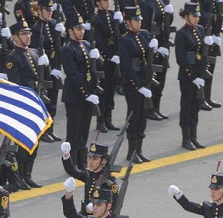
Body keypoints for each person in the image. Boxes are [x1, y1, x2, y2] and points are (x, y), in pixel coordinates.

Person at [5, 19, 48, 188]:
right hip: (24, 104)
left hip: (37, 101)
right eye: (23, 34)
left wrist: (47, 65)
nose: (28, 36)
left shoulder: (35, 52)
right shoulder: (12, 57)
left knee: (35, 141)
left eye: (29, 33)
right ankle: (20, 176)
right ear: (15, 37)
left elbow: (44, 77)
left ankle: (28, 174)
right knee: (23, 142)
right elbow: (16, 84)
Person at [60, 12, 99, 170]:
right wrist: (87, 94)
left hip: (87, 95)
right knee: (73, 132)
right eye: (77, 29)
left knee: (84, 129)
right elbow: (73, 75)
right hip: (76, 96)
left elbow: (92, 70)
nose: (81, 31)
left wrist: (98, 59)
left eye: (82, 28)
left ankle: (82, 161)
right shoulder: (68, 49)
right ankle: (71, 162)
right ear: (70, 31)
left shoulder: (87, 45)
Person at [118, 5, 155, 163]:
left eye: (139, 20)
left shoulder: (144, 35)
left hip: (145, 82)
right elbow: (126, 67)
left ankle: (139, 150)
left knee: (142, 116)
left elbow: (148, 59)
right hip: (133, 85)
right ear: (127, 21)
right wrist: (139, 86)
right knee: (134, 116)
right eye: (135, 20)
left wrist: (154, 49)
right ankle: (131, 152)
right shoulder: (124, 40)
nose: (139, 23)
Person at [175, 2, 209, 151]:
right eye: (194, 16)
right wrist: (193, 77)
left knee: (195, 106)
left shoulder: (200, 29)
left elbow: (203, 55)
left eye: (198, 16)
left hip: (199, 75)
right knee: (187, 106)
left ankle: (194, 137)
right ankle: (186, 138)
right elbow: (181, 59)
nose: (197, 19)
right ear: (187, 16)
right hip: (188, 77)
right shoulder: (181, 34)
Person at [30, 0, 64, 142]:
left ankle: (51, 128)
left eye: (51, 10)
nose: (50, 12)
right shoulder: (36, 28)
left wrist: (62, 35)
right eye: (47, 10)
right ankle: (42, 131)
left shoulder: (53, 24)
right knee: (43, 100)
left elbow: (59, 48)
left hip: (54, 67)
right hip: (42, 69)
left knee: (53, 100)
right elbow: (32, 49)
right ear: (39, 11)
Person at [91, 0, 123, 132]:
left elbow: (120, 35)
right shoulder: (96, 19)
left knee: (111, 89)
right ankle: (101, 121)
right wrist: (109, 57)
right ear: (98, 3)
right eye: (104, 1)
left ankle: (108, 119)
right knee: (103, 91)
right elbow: (98, 41)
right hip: (104, 60)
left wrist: (120, 23)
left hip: (114, 58)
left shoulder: (112, 15)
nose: (108, 3)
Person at [140, 0, 174, 120]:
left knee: (161, 77)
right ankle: (149, 108)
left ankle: (156, 107)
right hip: (153, 44)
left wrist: (171, 13)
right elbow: (144, 26)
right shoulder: (145, 3)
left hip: (163, 42)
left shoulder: (162, 1)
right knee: (152, 77)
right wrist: (153, 45)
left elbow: (167, 22)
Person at [198, 0, 223, 111]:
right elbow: (196, 13)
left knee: (211, 66)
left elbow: (219, 13)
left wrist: (221, 6)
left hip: (214, 34)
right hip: (203, 34)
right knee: (202, 67)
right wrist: (210, 15)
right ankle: (200, 98)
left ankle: (207, 96)